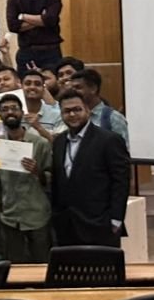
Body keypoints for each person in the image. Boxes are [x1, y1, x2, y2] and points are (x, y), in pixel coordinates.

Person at [50, 88, 130, 248]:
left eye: (77, 109)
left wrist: (116, 219)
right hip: (66, 225)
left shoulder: (109, 140)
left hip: (100, 224)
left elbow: (121, 181)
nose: (72, 114)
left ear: (87, 110)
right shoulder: (59, 142)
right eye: (67, 111)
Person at [0, 91, 52, 263]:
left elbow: (52, 178)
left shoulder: (40, 144)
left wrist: (37, 172)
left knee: (42, 265)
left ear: (22, 113)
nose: (10, 112)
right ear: (0, 115)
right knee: (15, 267)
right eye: (5, 109)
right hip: (9, 216)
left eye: (14, 108)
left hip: (37, 215)